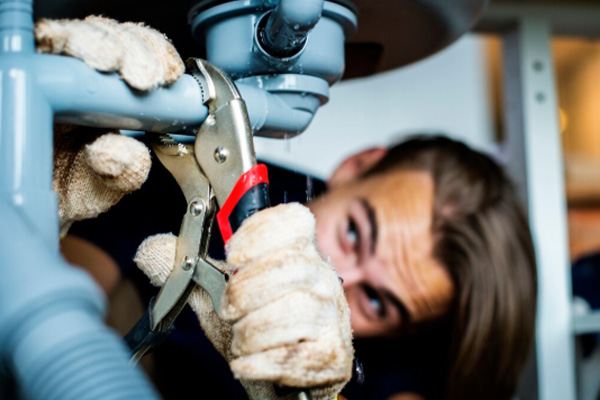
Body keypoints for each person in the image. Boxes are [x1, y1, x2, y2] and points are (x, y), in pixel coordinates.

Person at [47, 15, 537, 400]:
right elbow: (64, 297)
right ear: (356, 167)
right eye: (353, 232)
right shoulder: (194, 175)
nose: (336, 276)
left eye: (377, 301)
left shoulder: (396, 367)